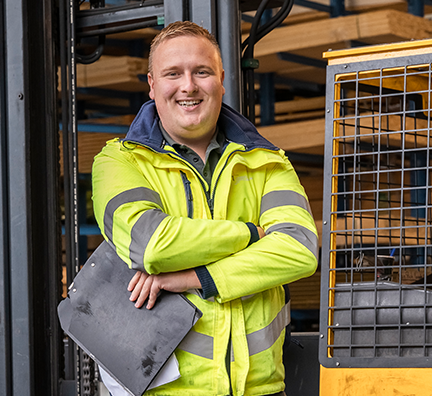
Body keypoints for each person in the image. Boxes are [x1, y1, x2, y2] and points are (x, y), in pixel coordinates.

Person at [91, 21, 319, 396]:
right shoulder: (119, 161)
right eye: (172, 74)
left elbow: (300, 249)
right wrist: (251, 234)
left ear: (221, 79)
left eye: (202, 72)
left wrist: (195, 277)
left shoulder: (267, 162)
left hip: (261, 390)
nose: (189, 86)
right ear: (152, 84)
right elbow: (152, 244)